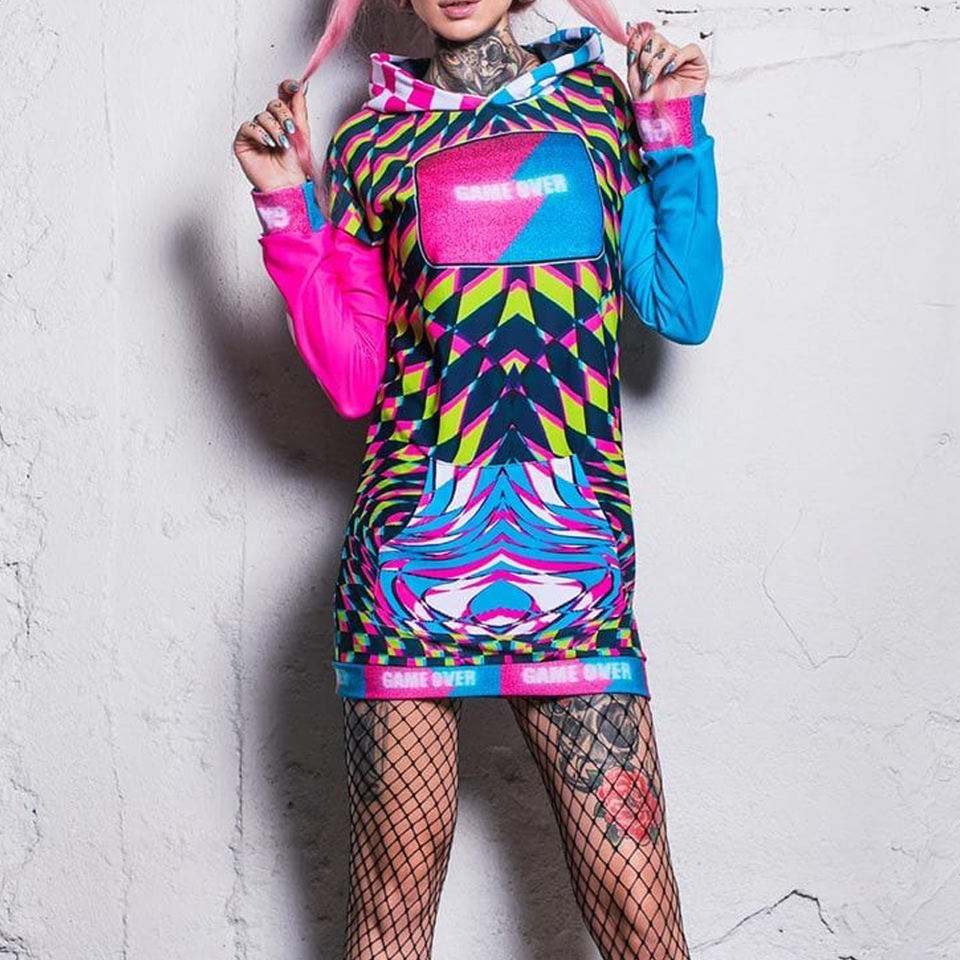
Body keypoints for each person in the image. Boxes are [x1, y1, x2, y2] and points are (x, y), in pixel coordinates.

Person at [233, 0, 723, 953]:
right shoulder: (371, 140)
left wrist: (672, 129)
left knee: (638, 912)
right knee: (392, 912)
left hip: (574, 564)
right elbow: (354, 379)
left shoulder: (596, 107)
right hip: (408, 569)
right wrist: (287, 206)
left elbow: (681, 302)